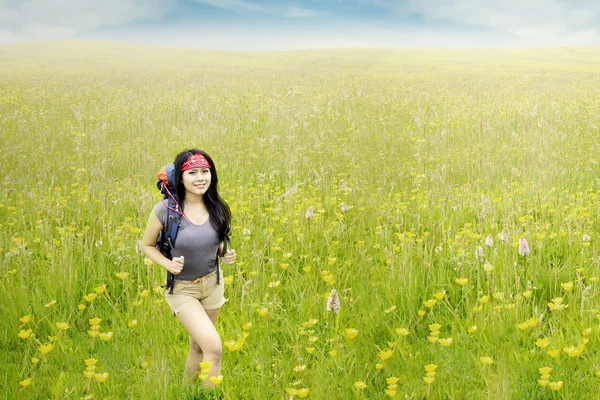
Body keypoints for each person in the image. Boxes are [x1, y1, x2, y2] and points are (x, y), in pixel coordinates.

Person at [141, 149, 236, 387]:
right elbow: (147, 245)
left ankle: (187, 392)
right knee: (214, 349)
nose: (201, 177)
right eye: (192, 172)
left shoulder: (217, 207)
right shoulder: (165, 211)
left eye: (205, 171)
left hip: (213, 284)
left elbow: (218, 240)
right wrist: (168, 264)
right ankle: (209, 395)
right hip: (183, 290)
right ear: (180, 179)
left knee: (198, 344)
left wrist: (226, 253)